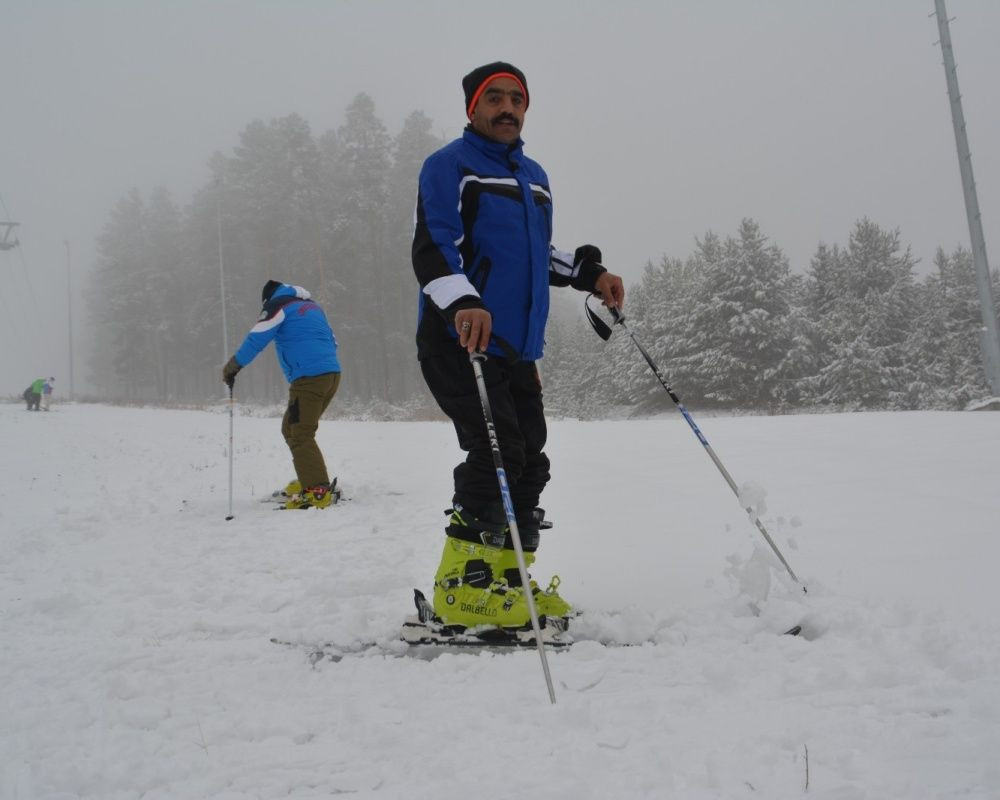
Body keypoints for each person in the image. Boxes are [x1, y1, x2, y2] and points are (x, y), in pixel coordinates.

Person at [411, 61, 625, 630]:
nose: (507, 108)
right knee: (497, 450)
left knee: (530, 453)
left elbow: (537, 255)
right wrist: (463, 301)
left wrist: (589, 275)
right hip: (459, 338)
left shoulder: (534, 176)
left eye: (517, 99)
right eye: (495, 98)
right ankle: (460, 589)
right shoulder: (450, 166)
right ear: (473, 107)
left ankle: (504, 582)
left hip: (517, 346)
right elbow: (434, 247)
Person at [222, 280, 342, 509]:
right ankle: (309, 479)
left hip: (309, 379)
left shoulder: (278, 306)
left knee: (300, 433)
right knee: (290, 427)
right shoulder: (313, 307)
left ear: (267, 299)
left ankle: (318, 490)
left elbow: (257, 338)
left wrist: (232, 367)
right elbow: (332, 341)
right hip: (332, 375)